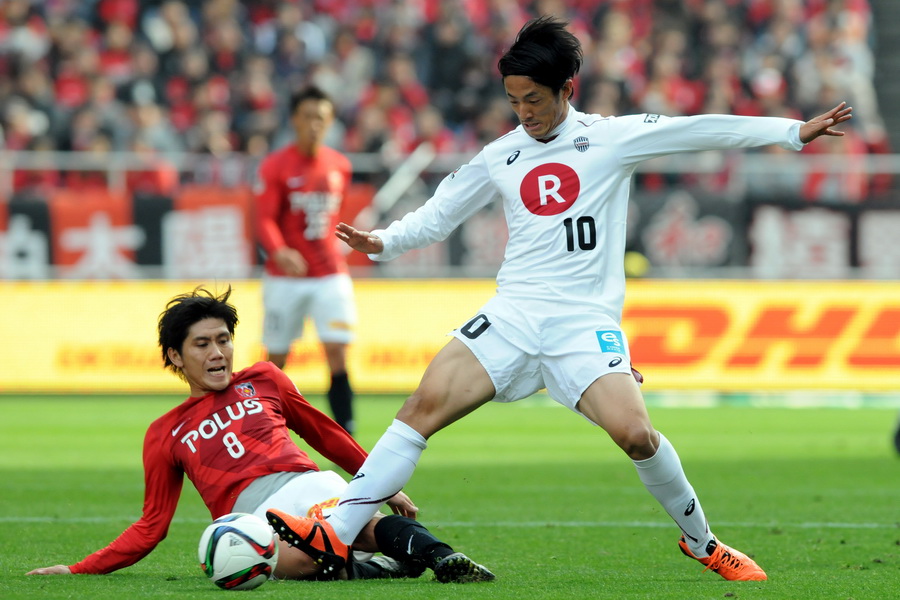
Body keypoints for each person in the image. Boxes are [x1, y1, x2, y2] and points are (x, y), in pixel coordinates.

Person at [271, 16, 853, 583]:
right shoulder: (503, 153)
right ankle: (339, 531)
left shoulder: (609, 137)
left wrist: (789, 132)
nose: (523, 113)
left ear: (566, 89)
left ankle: (704, 543)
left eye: (533, 100)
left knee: (637, 436)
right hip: (513, 313)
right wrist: (384, 240)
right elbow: (442, 210)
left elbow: (697, 127)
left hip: (582, 323)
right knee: (419, 409)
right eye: (513, 100)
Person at [26, 286, 494, 583]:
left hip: (305, 483)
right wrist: (77, 568)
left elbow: (327, 436)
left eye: (224, 339)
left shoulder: (265, 378)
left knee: (357, 528)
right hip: (248, 521)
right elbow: (153, 526)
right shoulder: (163, 433)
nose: (218, 353)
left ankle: (443, 559)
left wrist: (384, 482)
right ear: (174, 357)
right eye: (202, 344)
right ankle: (390, 565)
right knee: (301, 564)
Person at [254, 85, 357, 435]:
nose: (315, 124)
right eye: (308, 117)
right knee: (277, 359)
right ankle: (265, 428)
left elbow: (335, 216)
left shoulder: (340, 165)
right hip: (285, 278)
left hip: (330, 274)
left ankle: (347, 433)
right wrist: (280, 251)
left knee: (338, 353)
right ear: (294, 120)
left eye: (322, 118)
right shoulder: (275, 166)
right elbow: (264, 217)